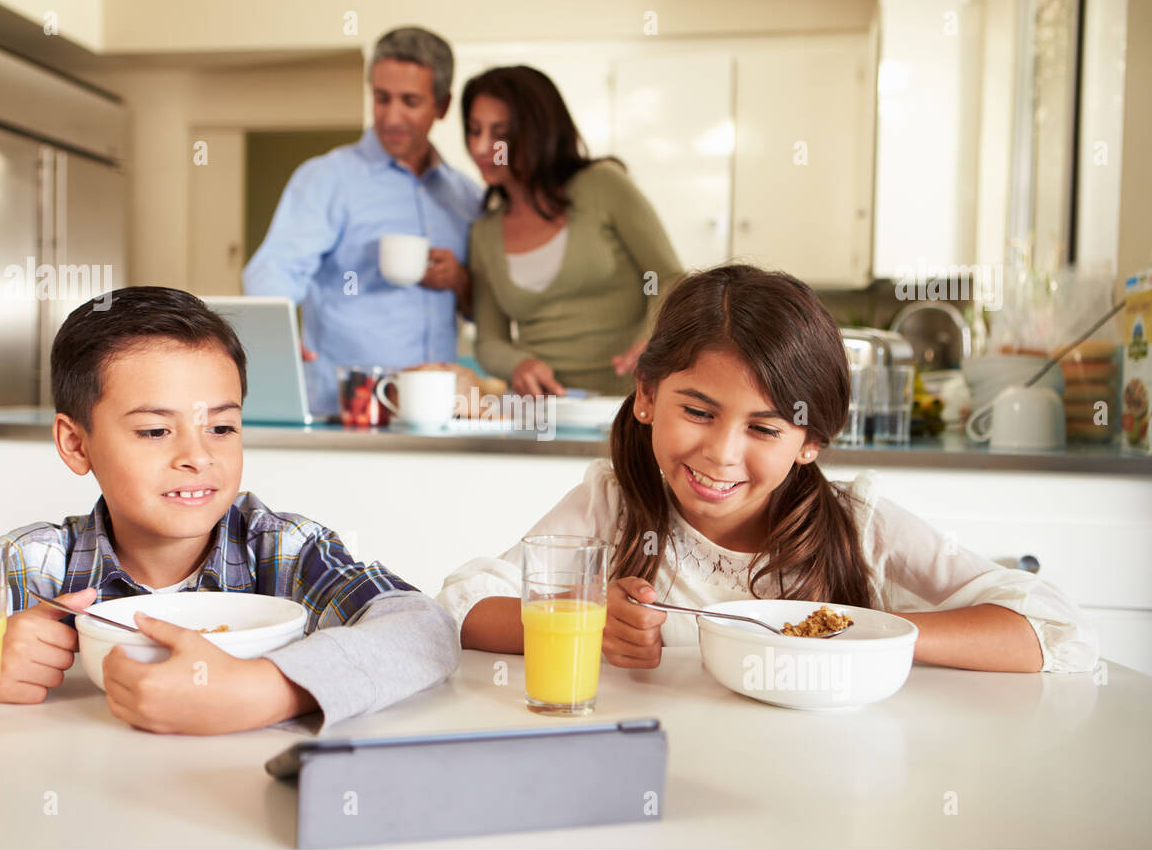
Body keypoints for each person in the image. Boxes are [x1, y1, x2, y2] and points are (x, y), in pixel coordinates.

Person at [436, 265, 1099, 673]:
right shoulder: (614, 505)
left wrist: (865, 633)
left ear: (810, 440)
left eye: (764, 428)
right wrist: (586, 620)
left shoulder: (858, 525)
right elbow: (461, 605)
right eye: (697, 411)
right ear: (645, 395)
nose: (722, 454)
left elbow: (1053, 630)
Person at [0, 287, 458, 733]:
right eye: (156, 431)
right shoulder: (32, 564)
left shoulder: (285, 552)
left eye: (220, 427)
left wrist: (268, 690)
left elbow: (426, 631)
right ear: (76, 444)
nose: (198, 456)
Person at [242, 27, 481, 416]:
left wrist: (460, 280)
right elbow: (275, 268)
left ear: (442, 105)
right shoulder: (327, 178)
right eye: (381, 98)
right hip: (346, 411)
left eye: (410, 101)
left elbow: (485, 308)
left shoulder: (465, 196)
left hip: (435, 411)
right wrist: (278, 340)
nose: (391, 116)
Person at [461, 65, 684, 398]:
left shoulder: (603, 186)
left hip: (629, 400)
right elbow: (491, 340)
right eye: (474, 130)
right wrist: (519, 364)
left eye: (500, 134)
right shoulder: (484, 233)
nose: (480, 147)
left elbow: (668, 277)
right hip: (545, 409)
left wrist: (653, 336)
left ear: (539, 131)